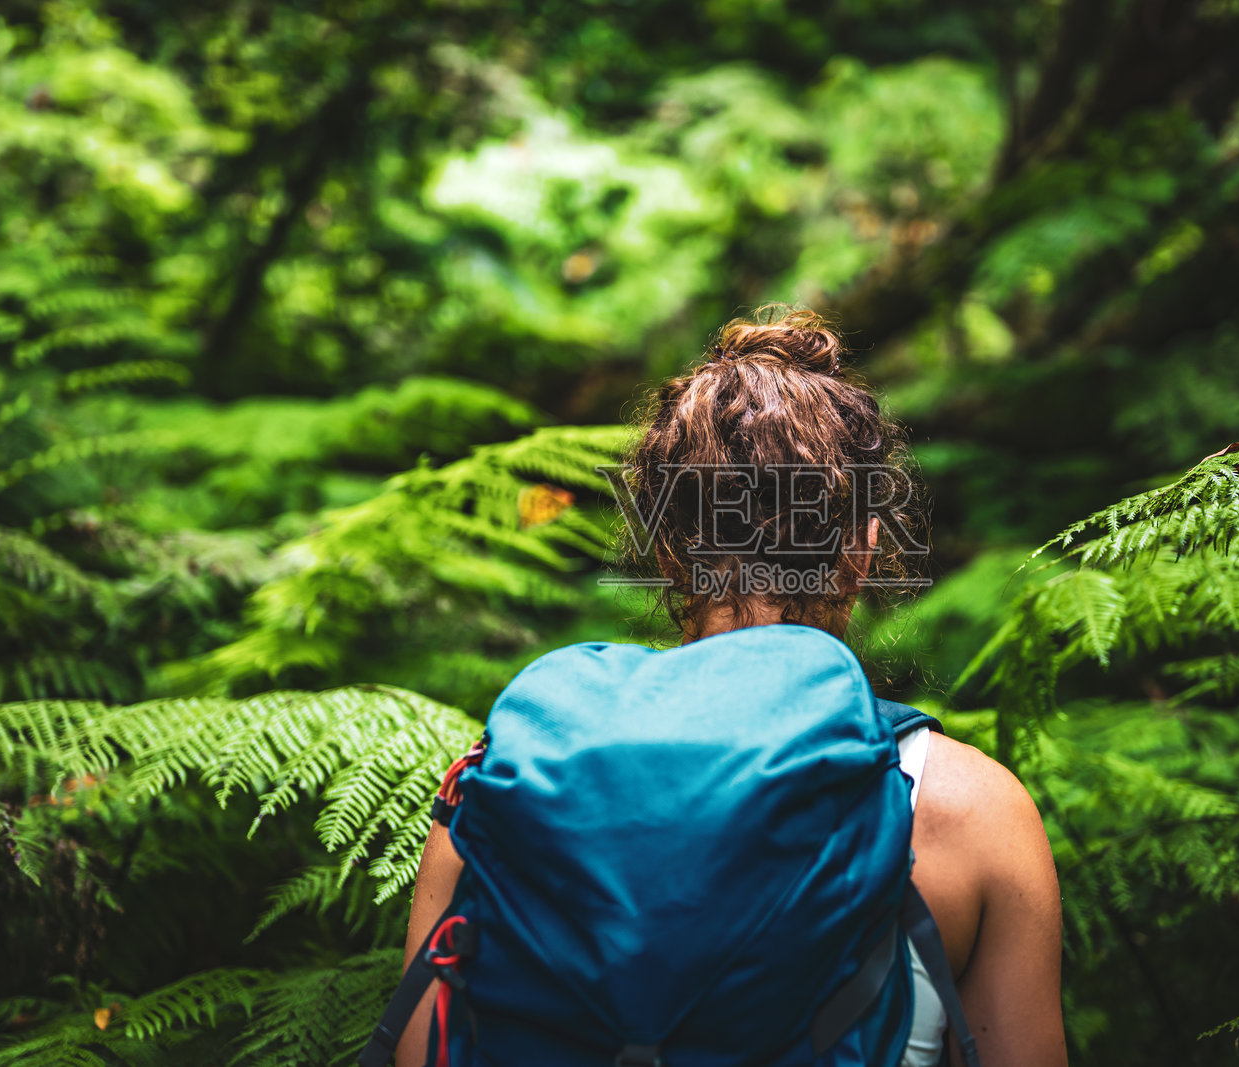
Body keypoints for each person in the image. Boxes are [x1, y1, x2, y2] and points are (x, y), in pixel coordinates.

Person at [398, 308, 1066, 1066]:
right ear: (865, 545)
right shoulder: (965, 810)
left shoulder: (511, 776)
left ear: (668, 547)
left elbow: (426, 1049)